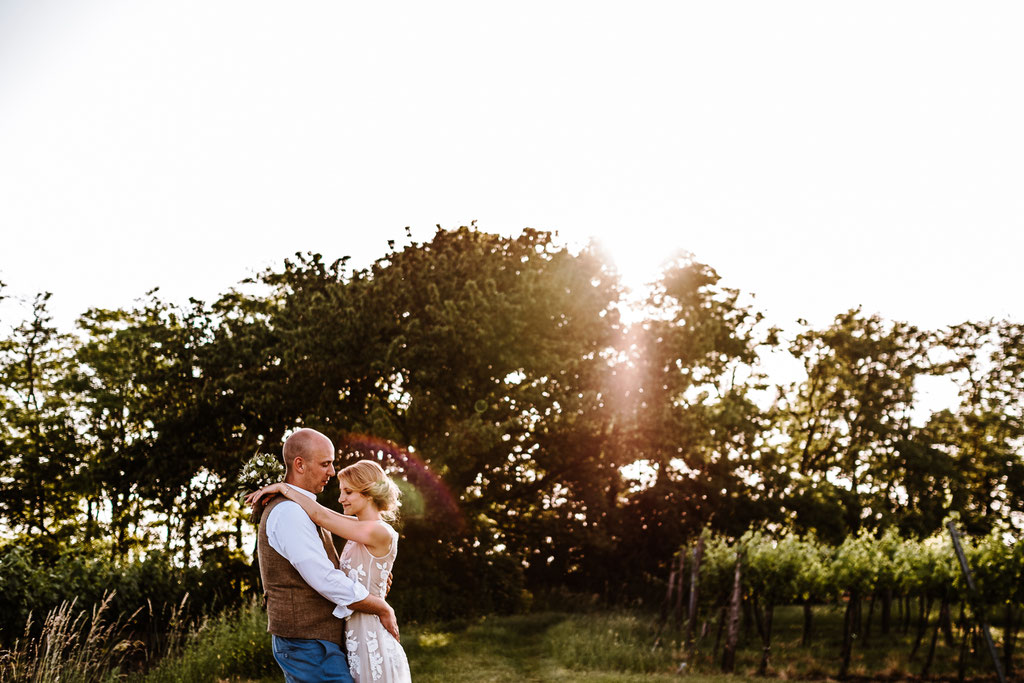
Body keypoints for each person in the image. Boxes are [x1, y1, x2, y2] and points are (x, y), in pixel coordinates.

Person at [251, 428, 399, 683]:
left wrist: (373, 580)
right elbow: (323, 578)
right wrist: (379, 605)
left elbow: (325, 520)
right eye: (325, 464)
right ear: (300, 464)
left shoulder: (305, 510)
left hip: (325, 641)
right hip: (308, 643)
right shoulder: (289, 512)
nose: (331, 472)